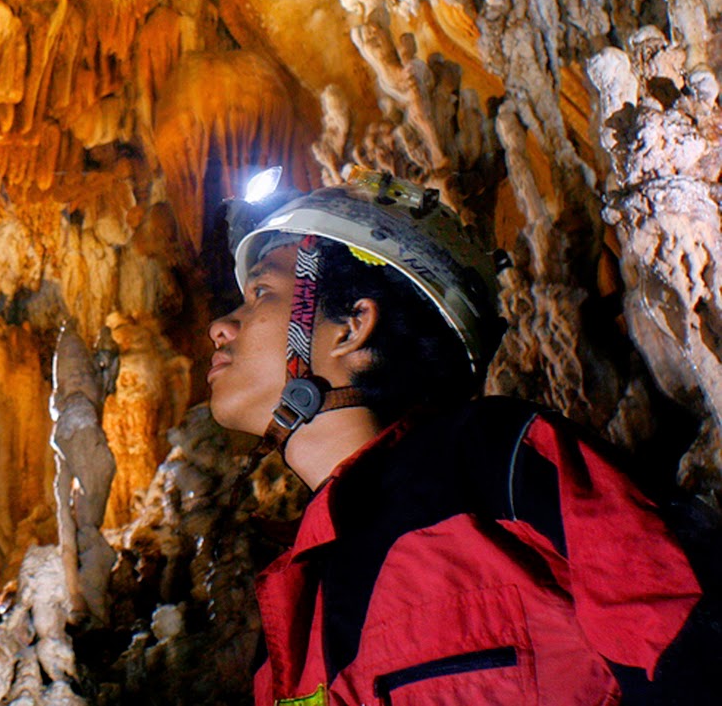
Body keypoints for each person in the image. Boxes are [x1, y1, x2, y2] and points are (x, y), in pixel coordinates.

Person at [207, 168, 718, 705]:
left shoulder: (499, 463)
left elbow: (684, 645)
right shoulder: (289, 614)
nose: (221, 325)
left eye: (261, 290)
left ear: (353, 326)